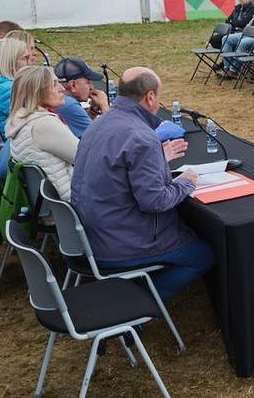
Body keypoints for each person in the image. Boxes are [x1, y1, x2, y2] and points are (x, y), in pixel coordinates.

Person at [70, 67, 212, 300]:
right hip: (121, 243)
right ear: (150, 97)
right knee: (204, 254)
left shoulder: (98, 123)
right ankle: (139, 302)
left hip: (91, 233)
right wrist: (186, 183)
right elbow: (155, 201)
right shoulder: (141, 136)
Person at [6, 66, 79, 200]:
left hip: (50, 205)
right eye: (54, 84)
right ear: (37, 92)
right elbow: (86, 158)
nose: (62, 88)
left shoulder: (20, 120)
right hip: (71, 202)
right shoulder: (43, 125)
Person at [52, 58, 110, 138]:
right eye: (88, 82)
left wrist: (93, 111)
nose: (92, 87)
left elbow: (83, 127)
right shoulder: (68, 104)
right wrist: (105, 106)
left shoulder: (61, 100)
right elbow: (104, 138)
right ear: (73, 85)